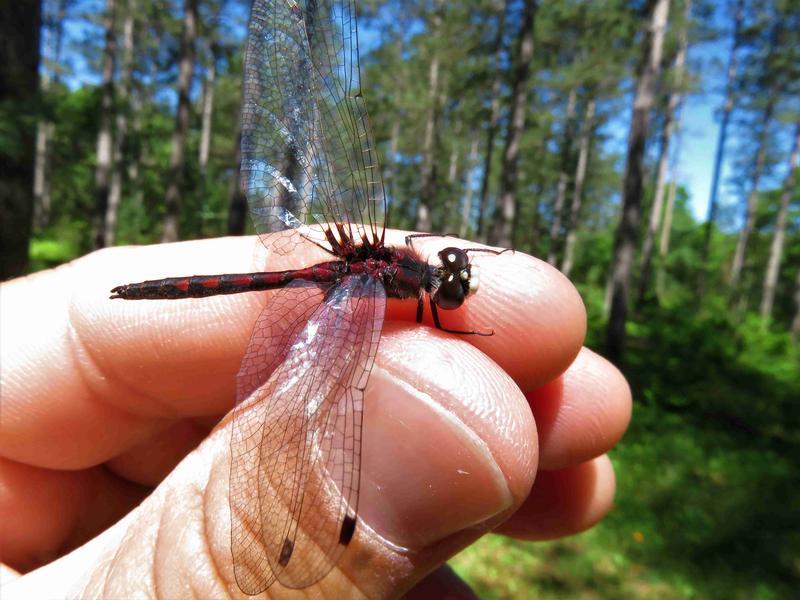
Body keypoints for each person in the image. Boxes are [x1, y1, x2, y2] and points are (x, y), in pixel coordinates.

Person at [0, 233, 631, 598]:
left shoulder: (399, 259)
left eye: (453, 276)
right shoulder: (402, 292)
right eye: (452, 279)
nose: (450, 279)